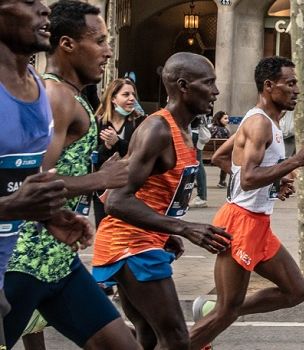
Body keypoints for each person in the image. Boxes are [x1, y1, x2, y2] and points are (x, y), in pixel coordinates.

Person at [3, 1, 138, 349]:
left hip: (59, 259)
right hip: (27, 261)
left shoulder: (54, 91)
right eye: (101, 41)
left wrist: (56, 219)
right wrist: (100, 179)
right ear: (68, 45)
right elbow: (35, 181)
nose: (108, 52)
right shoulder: (56, 96)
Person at [92, 52, 233, 350]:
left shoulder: (183, 130)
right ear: (183, 86)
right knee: (176, 339)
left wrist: (166, 231)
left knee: (150, 336)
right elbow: (116, 201)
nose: (216, 92)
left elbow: (155, 193)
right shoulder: (157, 129)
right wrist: (183, 228)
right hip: (130, 244)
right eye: (209, 83)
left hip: (144, 241)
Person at [188, 56, 304, 349]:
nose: (297, 90)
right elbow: (248, 177)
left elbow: (223, 158)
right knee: (228, 310)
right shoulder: (260, 124)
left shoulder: (262, 121)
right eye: (290, 83)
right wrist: (295, 162)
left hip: (258, 222)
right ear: (268, 85)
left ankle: (211, 312)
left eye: (296, 83)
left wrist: (274, 180)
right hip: (241, 222)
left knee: (295, 291)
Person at [0, 0, 96, 345]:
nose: (44, 10)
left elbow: (22, 180)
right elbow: (11, 199)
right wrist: (11, 207)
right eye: (28, 2)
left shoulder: (37, 92)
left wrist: (48, 215)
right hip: (24, 266)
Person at [93, 78, 144, 227]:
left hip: (130, 189)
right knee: (104, 230)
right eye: (126, 94)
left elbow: (140, 153)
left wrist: (118, 143)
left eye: (133, 95)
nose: (131, 99)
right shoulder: (98, 123)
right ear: (113, 98)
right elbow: (94, 158)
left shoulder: (140, 122)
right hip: (103, 190)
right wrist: (107, 146)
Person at [189, 114, 209, 208]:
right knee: (197, 163)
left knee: (195, 164)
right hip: (197, 134)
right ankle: (201, 196)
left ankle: (201, 196)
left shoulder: (191, 101)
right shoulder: (201, 103)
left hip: (192, 134)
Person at [209, 111, 231, 188]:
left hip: (206, 154)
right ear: (219, 119)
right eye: (225, 118)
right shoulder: (225, 131)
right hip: (221, 155)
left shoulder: (209, 128)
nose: (227, 120)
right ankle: (222, 181)